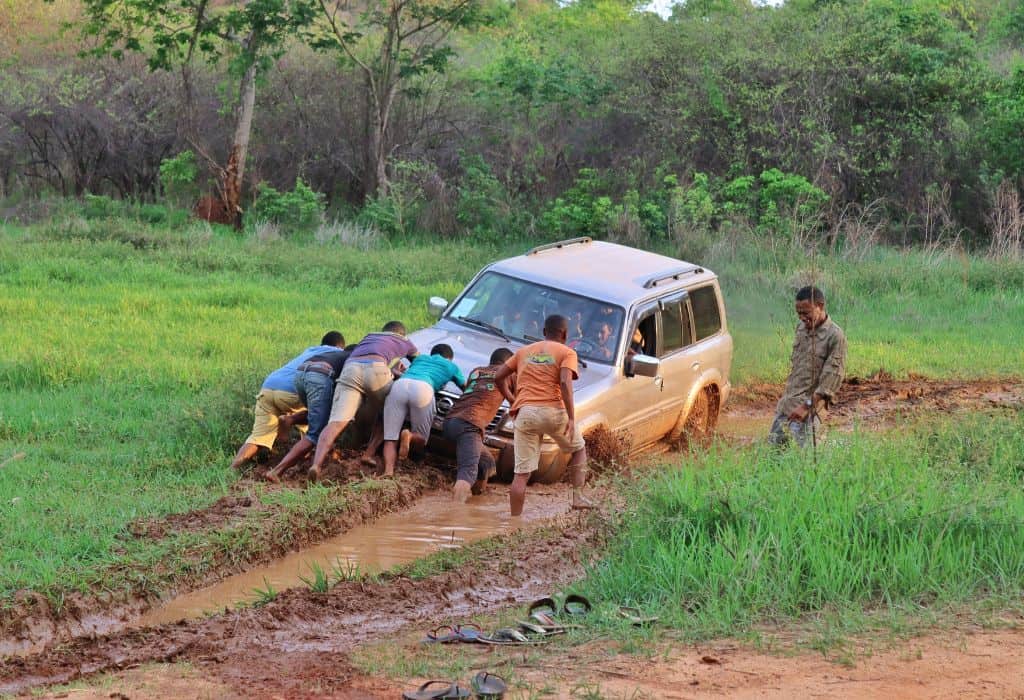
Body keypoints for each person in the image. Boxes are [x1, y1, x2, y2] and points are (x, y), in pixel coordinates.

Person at [495, 314, 593, 516]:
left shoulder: (524, 352)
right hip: (553, 411)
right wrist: (572, 418)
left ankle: (514, 522)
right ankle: (577, 498)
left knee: (521, 474)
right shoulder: (567, 352)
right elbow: (565, 382)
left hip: (525, 413)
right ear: (564, 334)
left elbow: (498, 377)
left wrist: (512, 400)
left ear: (543, 332)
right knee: (578, 450)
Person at [307, 321, 419, 481]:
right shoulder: (405, 341)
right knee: (387, 411)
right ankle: (369, 454)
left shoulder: (370, 336)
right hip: (377, 369)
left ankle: (316, 464)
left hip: (350, 369)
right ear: (401, 334)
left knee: (336, 423)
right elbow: (420, 363)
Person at [229, 331, 346, 471]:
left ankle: (232, 469)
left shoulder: (311, 350)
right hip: (293, 391)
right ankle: (301, 455)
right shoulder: (337, 353)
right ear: (340, 346)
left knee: (258, 437)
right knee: (317, 418)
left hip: (268, 388)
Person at [264, 342, 357, 483]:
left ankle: (291, 419)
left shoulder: (334, 354)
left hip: (301, 374)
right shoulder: (352, 359)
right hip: (320, 376)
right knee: (315, 433)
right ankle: (277, 471)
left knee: (319, 414)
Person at [768, 285, 847, 447]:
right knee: (772, 457)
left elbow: (830, 381)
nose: (802, 318)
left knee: (804, 461)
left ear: (820, 306)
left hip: (808, 413)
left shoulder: (835, 336)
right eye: (798, 314)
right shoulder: (801, 329)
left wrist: (806, 407)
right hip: (787, 406)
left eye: (806, 313)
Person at [380, 343, 467, 477]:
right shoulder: (452, 366)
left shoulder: (420, 358)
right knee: (421, 439)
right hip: (424, 389)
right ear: (449, 358)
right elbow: (465, 388)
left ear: (432, 354)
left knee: (390, 437)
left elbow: (406, 372)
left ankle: (388, 471)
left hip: (400, 385)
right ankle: (409, 436)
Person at [442, 347, 514, 503]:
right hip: (470, 424)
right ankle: (453, 515)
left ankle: (476, 499)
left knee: (486, 462)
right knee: (468, 471)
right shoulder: (509, 373)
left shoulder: (477, 371)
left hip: (449, 422)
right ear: (509, 363)